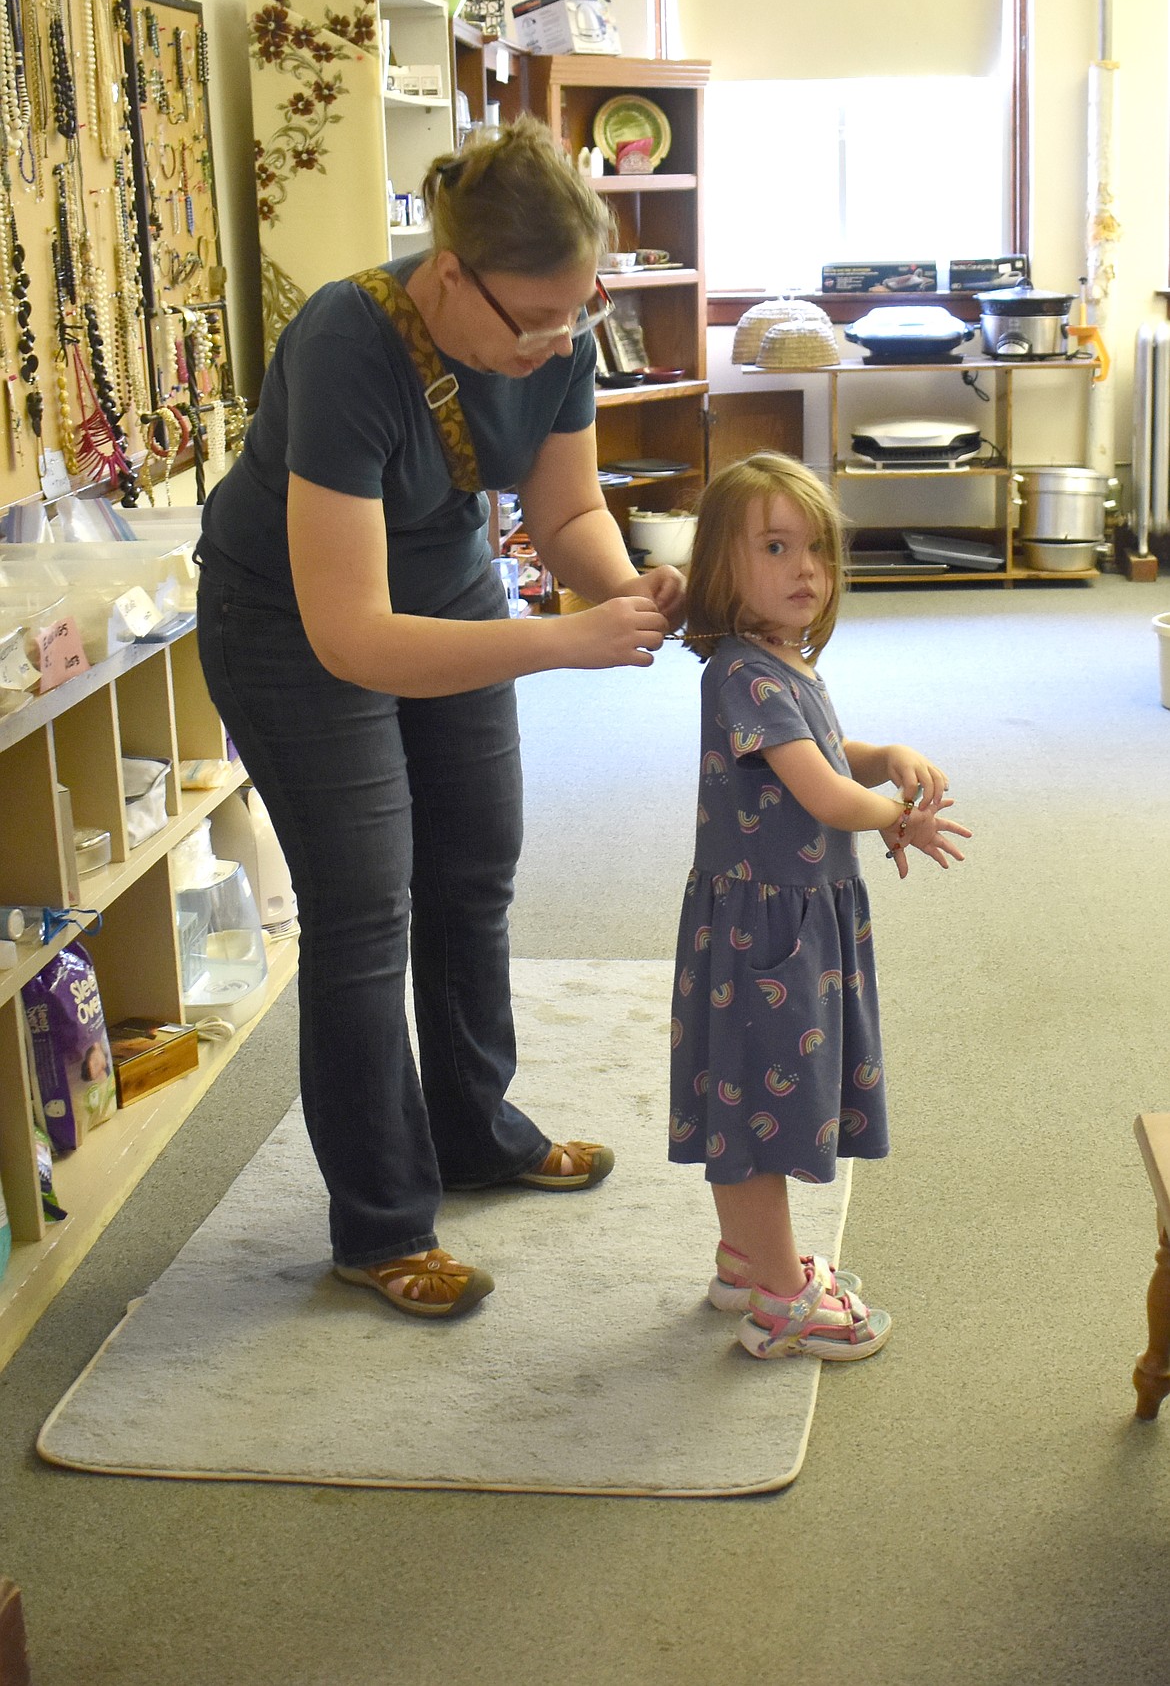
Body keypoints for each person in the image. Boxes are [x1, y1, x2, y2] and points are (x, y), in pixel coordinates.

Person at [194, 118, 685, 1321]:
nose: (559, 342)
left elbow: (566, 513)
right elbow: (353, 636)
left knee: (474, 871)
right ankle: (380, 1224)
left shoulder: (554, 328)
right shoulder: (348, 340)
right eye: (536, 322)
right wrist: (566, 639)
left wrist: (620, 588)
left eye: (578, 315)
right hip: (293, 622)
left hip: (449, 579)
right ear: (451, 274)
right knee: (366, 909)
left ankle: (477, 1135)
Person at [669, 452, 971, 1360]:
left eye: (817, 549)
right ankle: (779, 1294)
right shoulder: (742, 675)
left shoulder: (778, 663)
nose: (806, 569)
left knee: (760, 1093)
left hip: (793, 916)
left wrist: (888, 758)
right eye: (774, 546)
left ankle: (743, 1256)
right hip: (769, 929)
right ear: (723, 570)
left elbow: (835, 753)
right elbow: (825, 796)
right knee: (762, 1108)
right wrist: (898, 816)